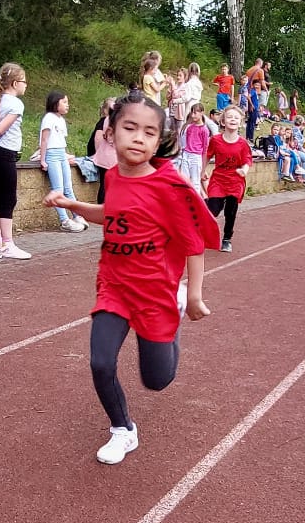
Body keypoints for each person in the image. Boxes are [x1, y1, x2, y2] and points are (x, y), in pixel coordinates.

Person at [44, 88, 220, 465]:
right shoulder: (113, 176)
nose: (138, 137)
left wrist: (194, 296)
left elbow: (193, 244)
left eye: (148, 132)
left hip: (155, 293)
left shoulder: (168, 187)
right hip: (115, 286)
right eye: (129, 128)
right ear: (110, 132)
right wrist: (73, 205)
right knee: (100, 362)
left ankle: (173, 317)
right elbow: (112, 213)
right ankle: (123, 429)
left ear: (158, 141)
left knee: (156, 380)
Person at [0, 62, 31, 260]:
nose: (26, 85)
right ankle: (7, 244)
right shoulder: (15, 104)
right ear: (14, 83)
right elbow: (0, 130)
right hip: (5, 154)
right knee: (9, 199)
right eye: (24, 81)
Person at [202, 101, 252, 250]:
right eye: (229, 117)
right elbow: (207, 155)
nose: (233, 120)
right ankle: (203, 210)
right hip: (218, 179)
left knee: (230, 210)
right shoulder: (215, 140)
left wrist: (244, 170)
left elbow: (247, 161)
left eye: (236, 118)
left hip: (235, 180)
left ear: (240, 122)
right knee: (213, 210)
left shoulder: (243, 144)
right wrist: (202, 171)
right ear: (223, 121)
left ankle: (227, 238)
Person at [38, 90, 86, 232]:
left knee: (68, 188)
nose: (67, 105)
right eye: (64, 102)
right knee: (57, 189)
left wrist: (66, 155)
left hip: (61, 154)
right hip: (52, 155)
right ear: (55, 103)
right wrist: (43, 159)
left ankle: (77, 215)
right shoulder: (49, 118)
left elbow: (60, 140)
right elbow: (44, 139)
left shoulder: (61, 120)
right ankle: (64, 220)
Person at [178, 104, 210, 189]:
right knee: (184, 180)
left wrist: (203, 168)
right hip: (186, 154)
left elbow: (205, 148)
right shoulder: (189, 127)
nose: (193, 115)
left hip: (196, 156)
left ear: (202, 113)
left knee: (195, 182)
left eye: (195, 113)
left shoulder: (204, 129)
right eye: (192, 113)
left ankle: (196, 196)